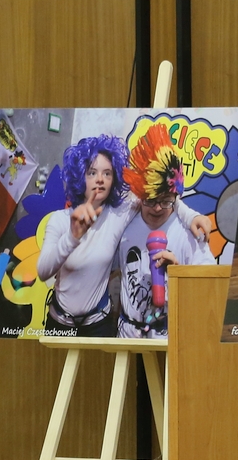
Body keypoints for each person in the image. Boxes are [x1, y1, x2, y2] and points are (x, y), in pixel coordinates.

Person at [36, 134, 209, 337]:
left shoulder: (119, 214)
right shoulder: (59, 220)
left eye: (107, 173)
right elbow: (43, 272)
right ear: (79, 175)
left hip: (98, 325)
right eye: (92, 172)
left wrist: (190, 215)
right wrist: (72, 237)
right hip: (59, 322)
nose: (100, 179)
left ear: (114, 179)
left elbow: (158, 190)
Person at [115, 123, 211, 339]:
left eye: (166, 201)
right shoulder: (125, 223)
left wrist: (177, 273)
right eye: (150, 200)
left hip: (172, 338)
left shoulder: (191, 231)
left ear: (176, 197)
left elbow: (209, 288)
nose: (157, 208)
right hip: (127, 336)